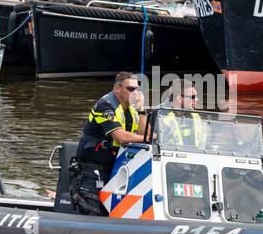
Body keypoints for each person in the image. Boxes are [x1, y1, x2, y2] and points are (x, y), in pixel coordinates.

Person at [74, 72, 148, 214]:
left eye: (137, 89)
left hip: (117, 167)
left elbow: (146, 133)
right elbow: (121, 137)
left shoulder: (132, 109)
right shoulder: (104, 106)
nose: (135, 93)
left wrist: (141, 110)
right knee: (92, 211)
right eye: (131, 89)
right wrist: (147, 138)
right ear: (117, 89)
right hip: (94, 169)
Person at [156, 82, 206, 149]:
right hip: (169, 154)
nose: (197, 99)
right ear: (179, 99)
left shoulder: (193, 115)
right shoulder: (159, 116)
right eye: (192, 97)